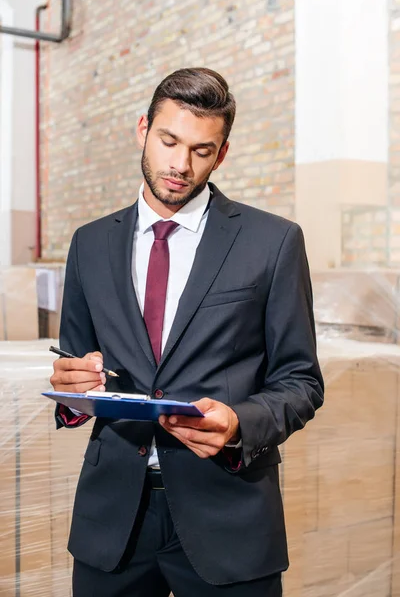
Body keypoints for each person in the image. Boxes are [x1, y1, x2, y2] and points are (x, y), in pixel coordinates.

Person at [50, 67, 324, 597]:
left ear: (221, 155)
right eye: (168, 140)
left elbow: (301, 380)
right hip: (114, 521)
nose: (179, 165)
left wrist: (241, 423)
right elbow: (76, 370)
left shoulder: (273, 242)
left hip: (228, 515)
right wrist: (69, 388)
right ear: (142, 131)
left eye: (201, 150)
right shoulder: (88, 245)